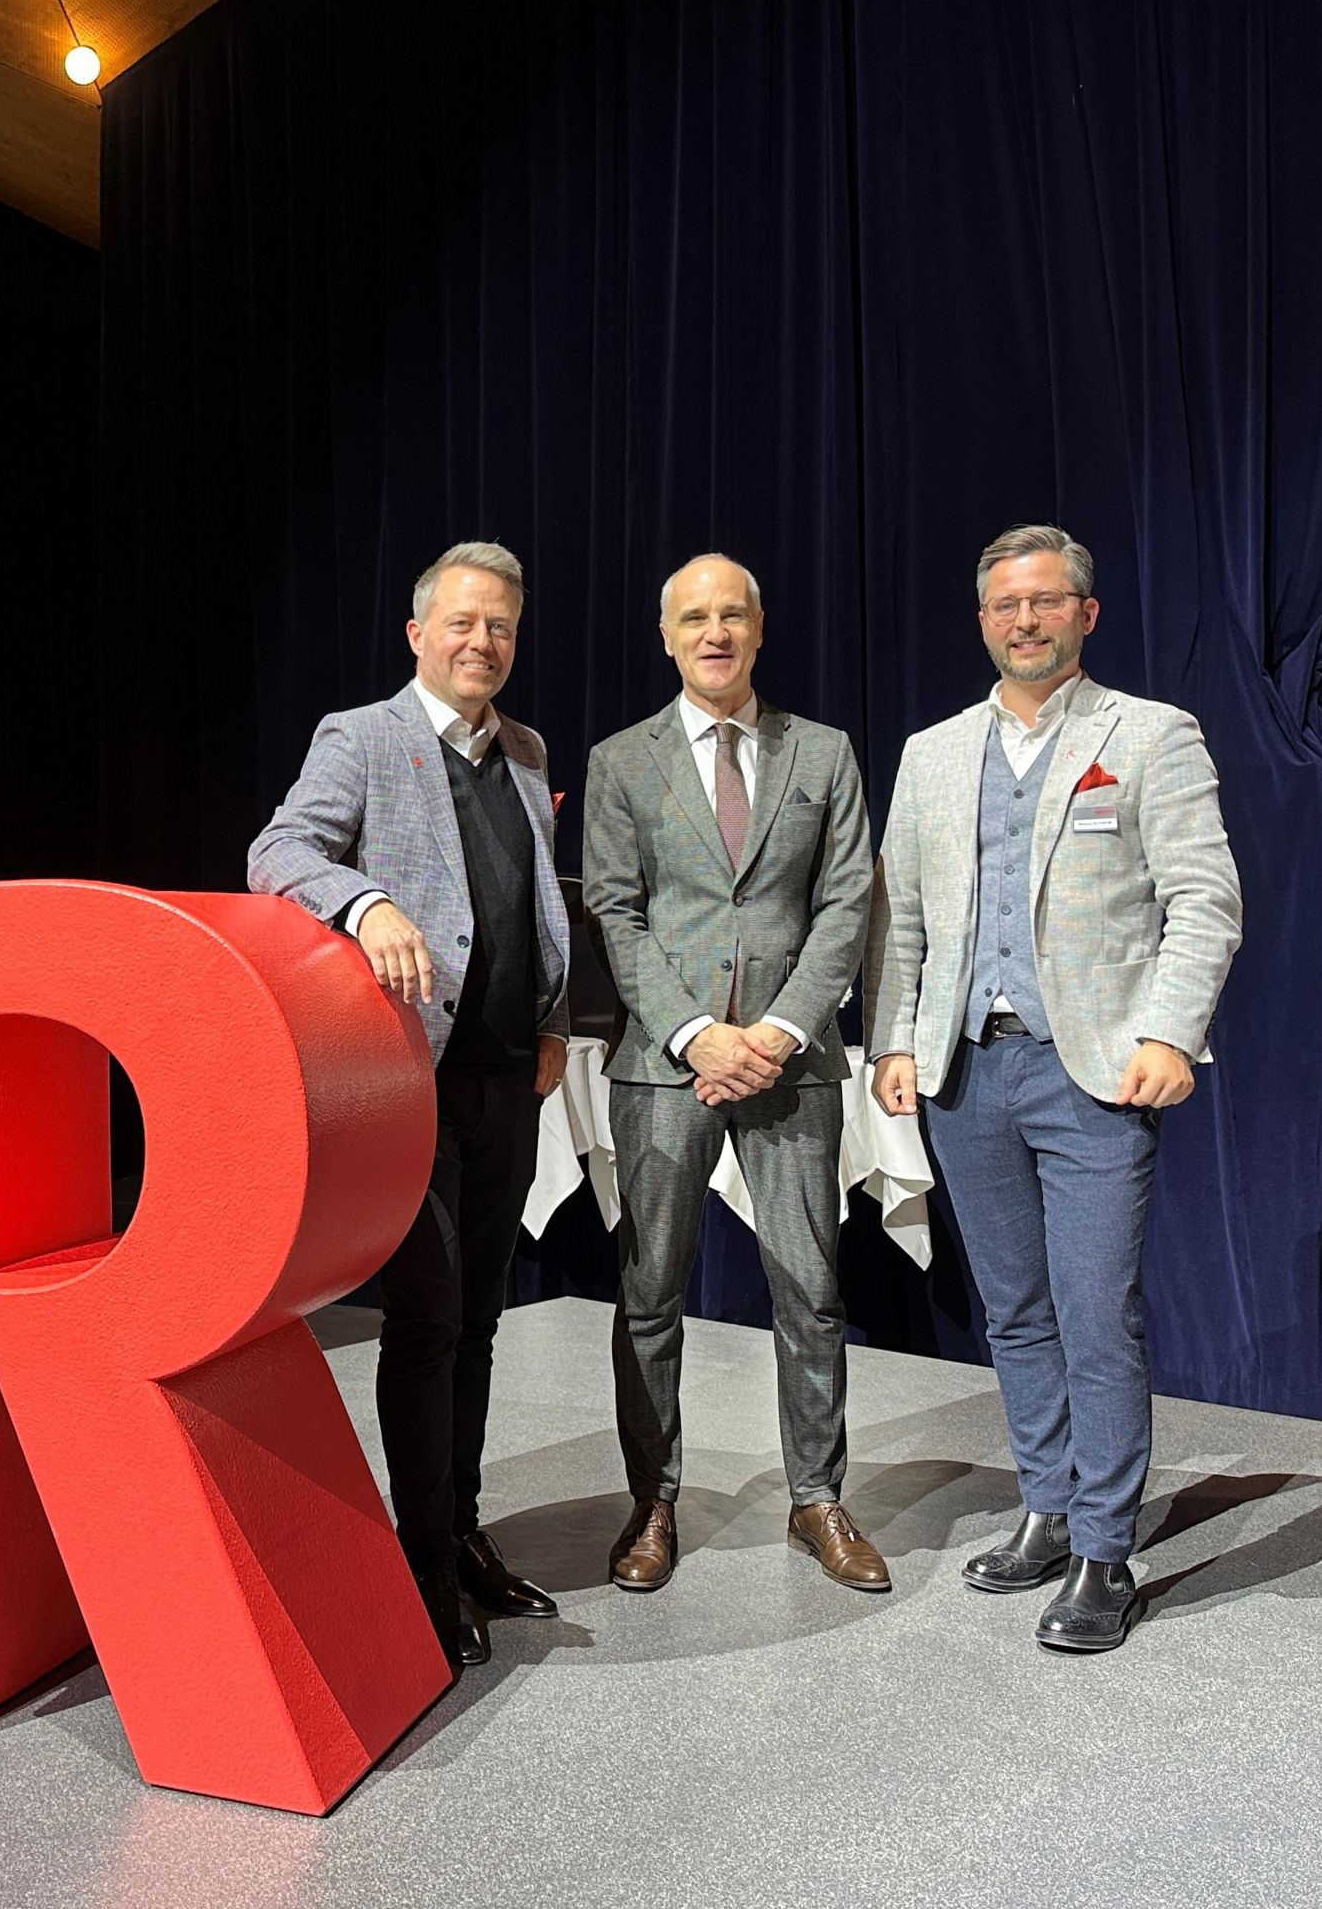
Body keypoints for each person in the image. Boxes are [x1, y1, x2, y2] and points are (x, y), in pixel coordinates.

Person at [865, 523, 1241, 1653]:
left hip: (1094, 1071)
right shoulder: (934, 752)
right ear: (983, 620)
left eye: (1044, 601)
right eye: (1005, 605)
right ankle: (1047, 1505)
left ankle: (1104, 1548)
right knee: (1016, 1311)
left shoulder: (1151, 735)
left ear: (1085, 613)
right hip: (966, 1071)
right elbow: (902, 915)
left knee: (1094, 1313)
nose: (1023, 621)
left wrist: (1169, 1033)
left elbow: (1204, 900)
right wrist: (892, 1040)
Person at [249, 540, 569, 1671]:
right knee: (428, 1325)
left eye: (502, 628)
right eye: (464, 624)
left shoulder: (524, 750)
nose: (484, 643)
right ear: (419, 633)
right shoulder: (363, 736)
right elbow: (278, 850)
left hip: (508, 1081)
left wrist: (552, 1019)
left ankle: (463, 1530)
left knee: (480, 1320)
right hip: (409, 1083)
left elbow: (529, 903)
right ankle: (422, 1558)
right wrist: (367, 903)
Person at [583, 553, 888, 1595]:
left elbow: (846, 903)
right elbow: (615, 911)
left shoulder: (824, 752)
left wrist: (779, 1032)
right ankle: (653, 1502)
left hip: (791, 1064)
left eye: (732, 616)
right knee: (650, 1292)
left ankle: (818, 1498)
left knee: (812, 1290)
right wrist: (695, 1036)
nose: (714, 633)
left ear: (758, 630)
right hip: (666, 1066)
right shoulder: (621, 762)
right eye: (694, 619)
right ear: (667, 638)